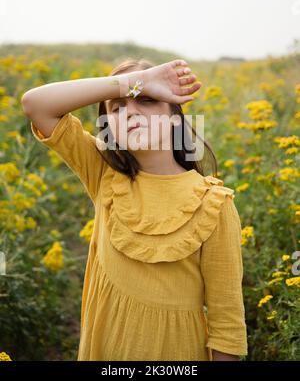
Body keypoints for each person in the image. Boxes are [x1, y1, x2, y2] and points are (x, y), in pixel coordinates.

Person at [21, 58, 248, 361]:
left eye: (148, 99)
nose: (130, 111)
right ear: (109, 127)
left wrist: (131, 87)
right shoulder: (103, 173)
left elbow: (227, 326)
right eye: (117, 107)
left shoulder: (214, 204)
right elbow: (36, 105)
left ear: (175, 118)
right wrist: (136, 81)